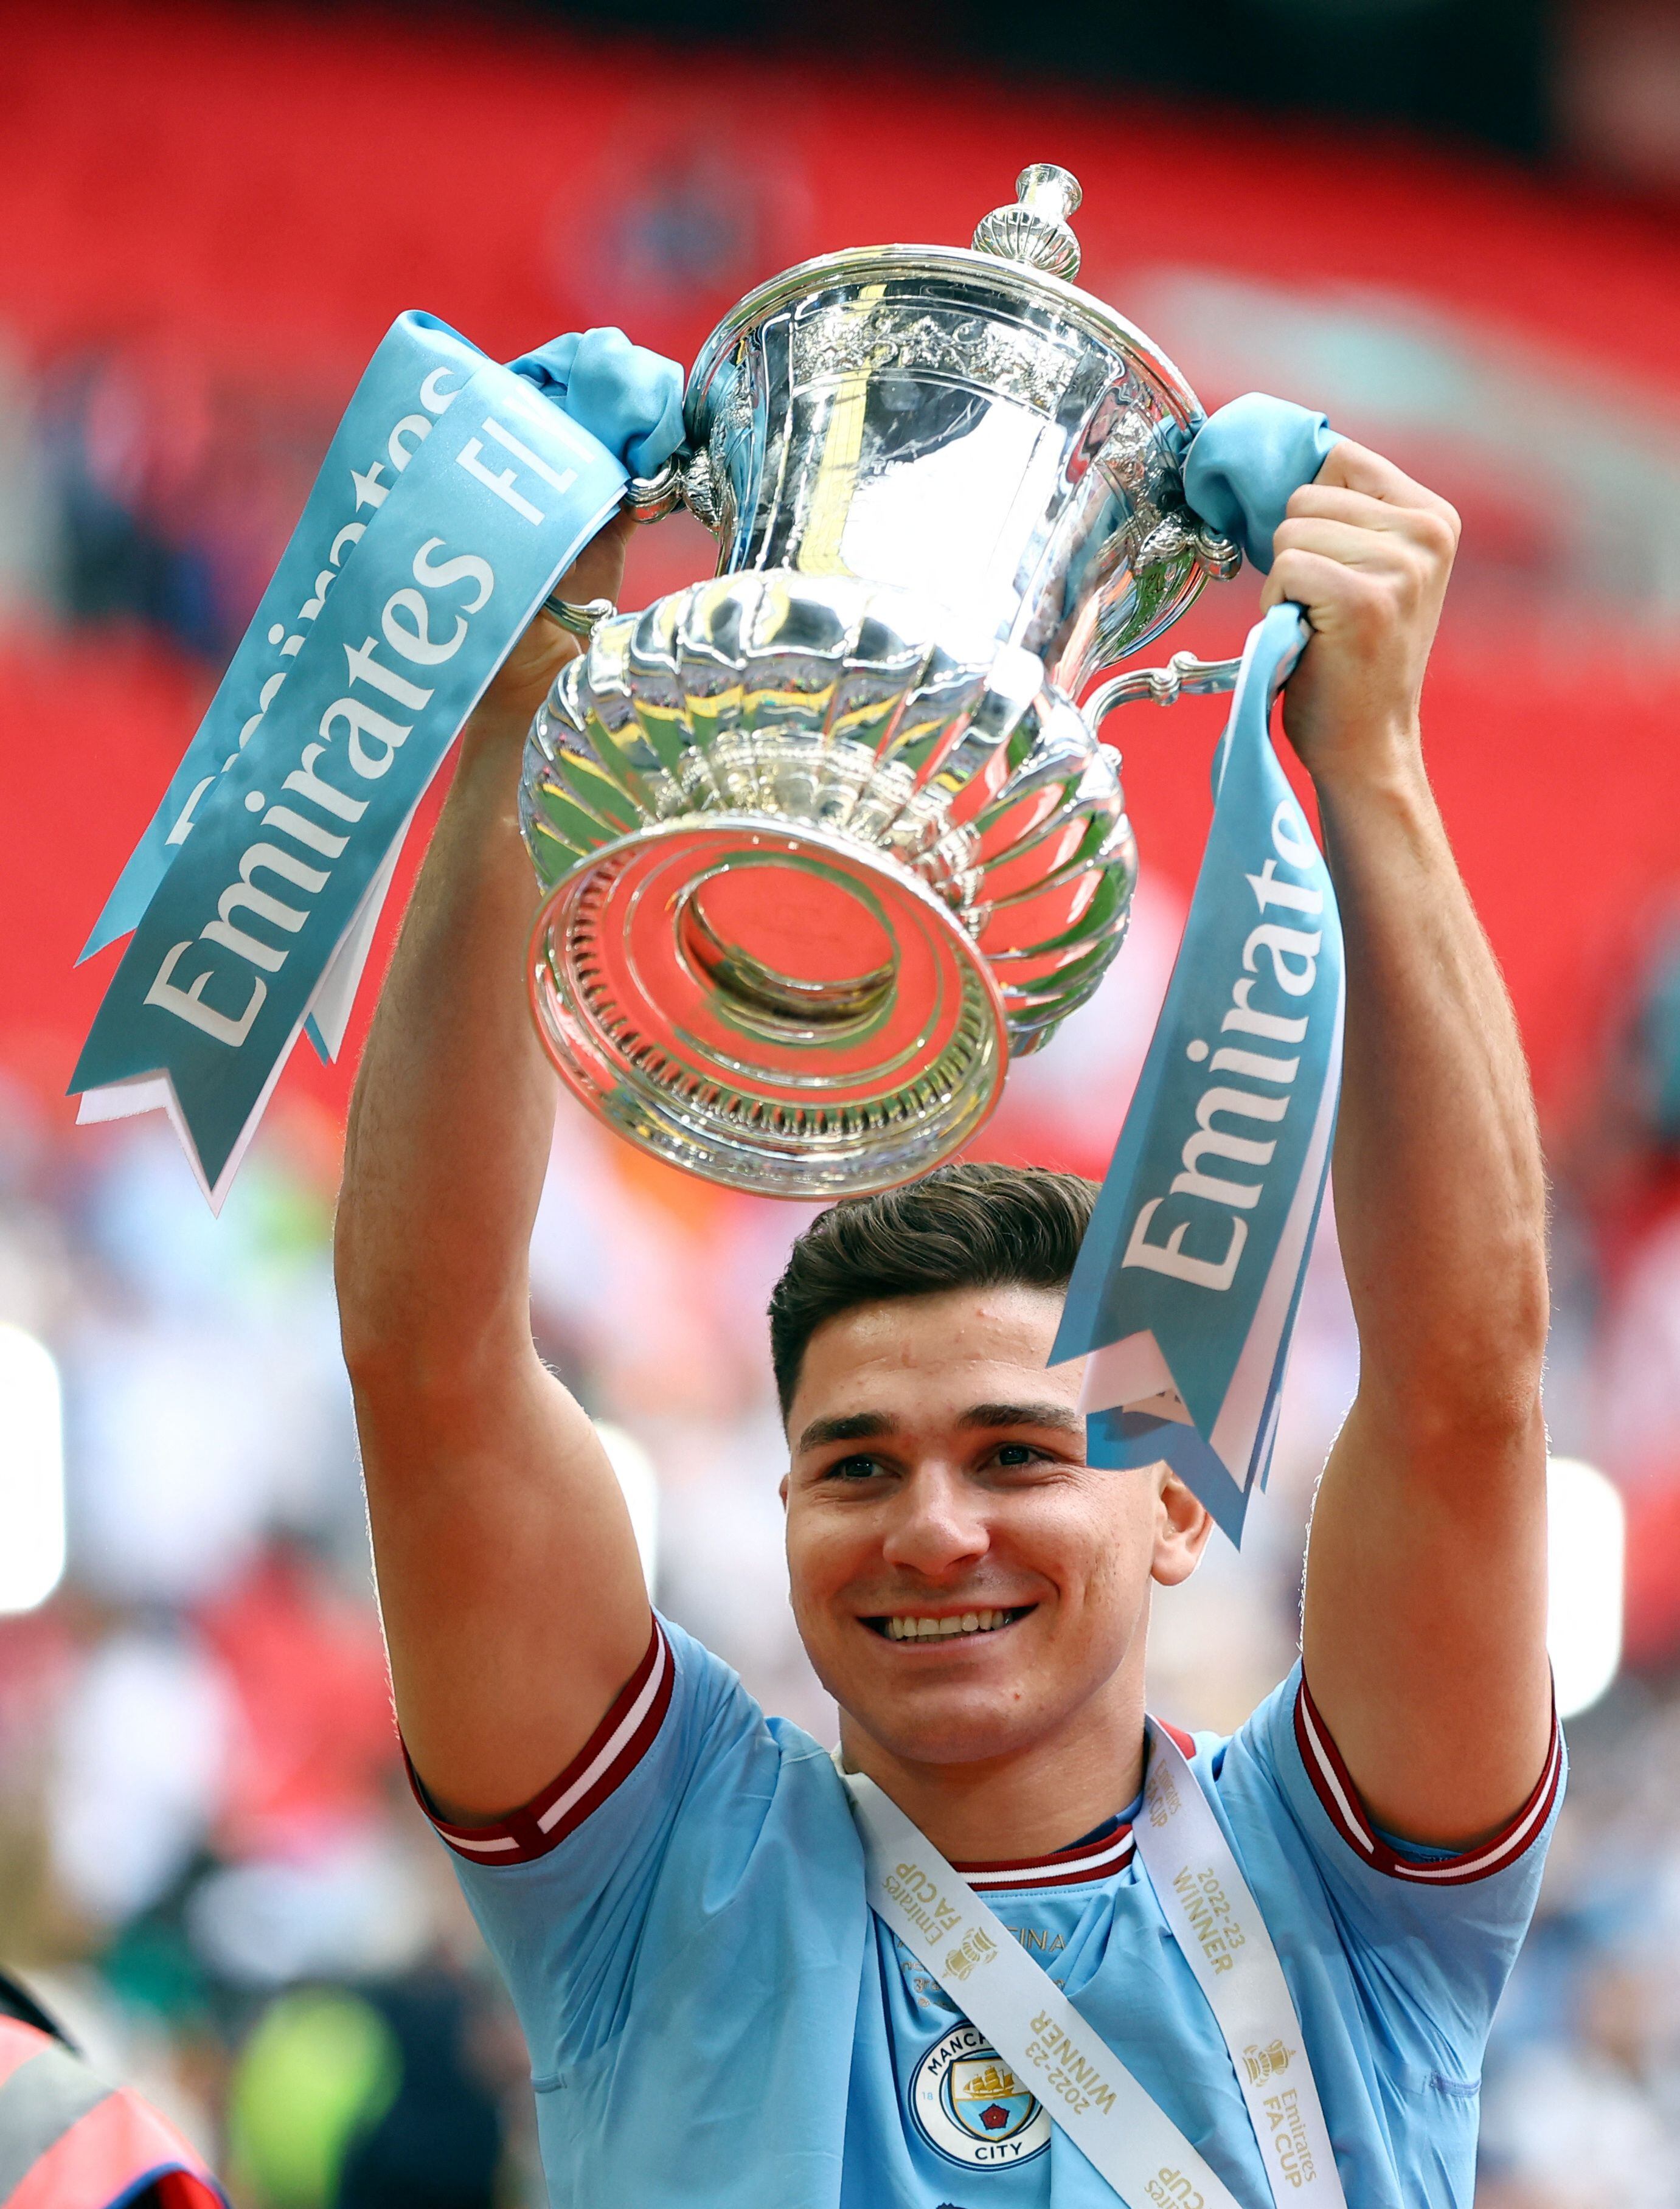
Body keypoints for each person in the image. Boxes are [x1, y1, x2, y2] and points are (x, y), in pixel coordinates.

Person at [333, 412, 1557, 2206]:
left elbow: (1461, 1395)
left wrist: (1362, 760)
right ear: (781, 1513)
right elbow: (430, 1371)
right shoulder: (658, 1876)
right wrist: (535, 700)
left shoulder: (1345, 1893)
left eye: (1013, 1454)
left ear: (1167, 1503)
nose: (930, 1528)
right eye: (853, 1467)